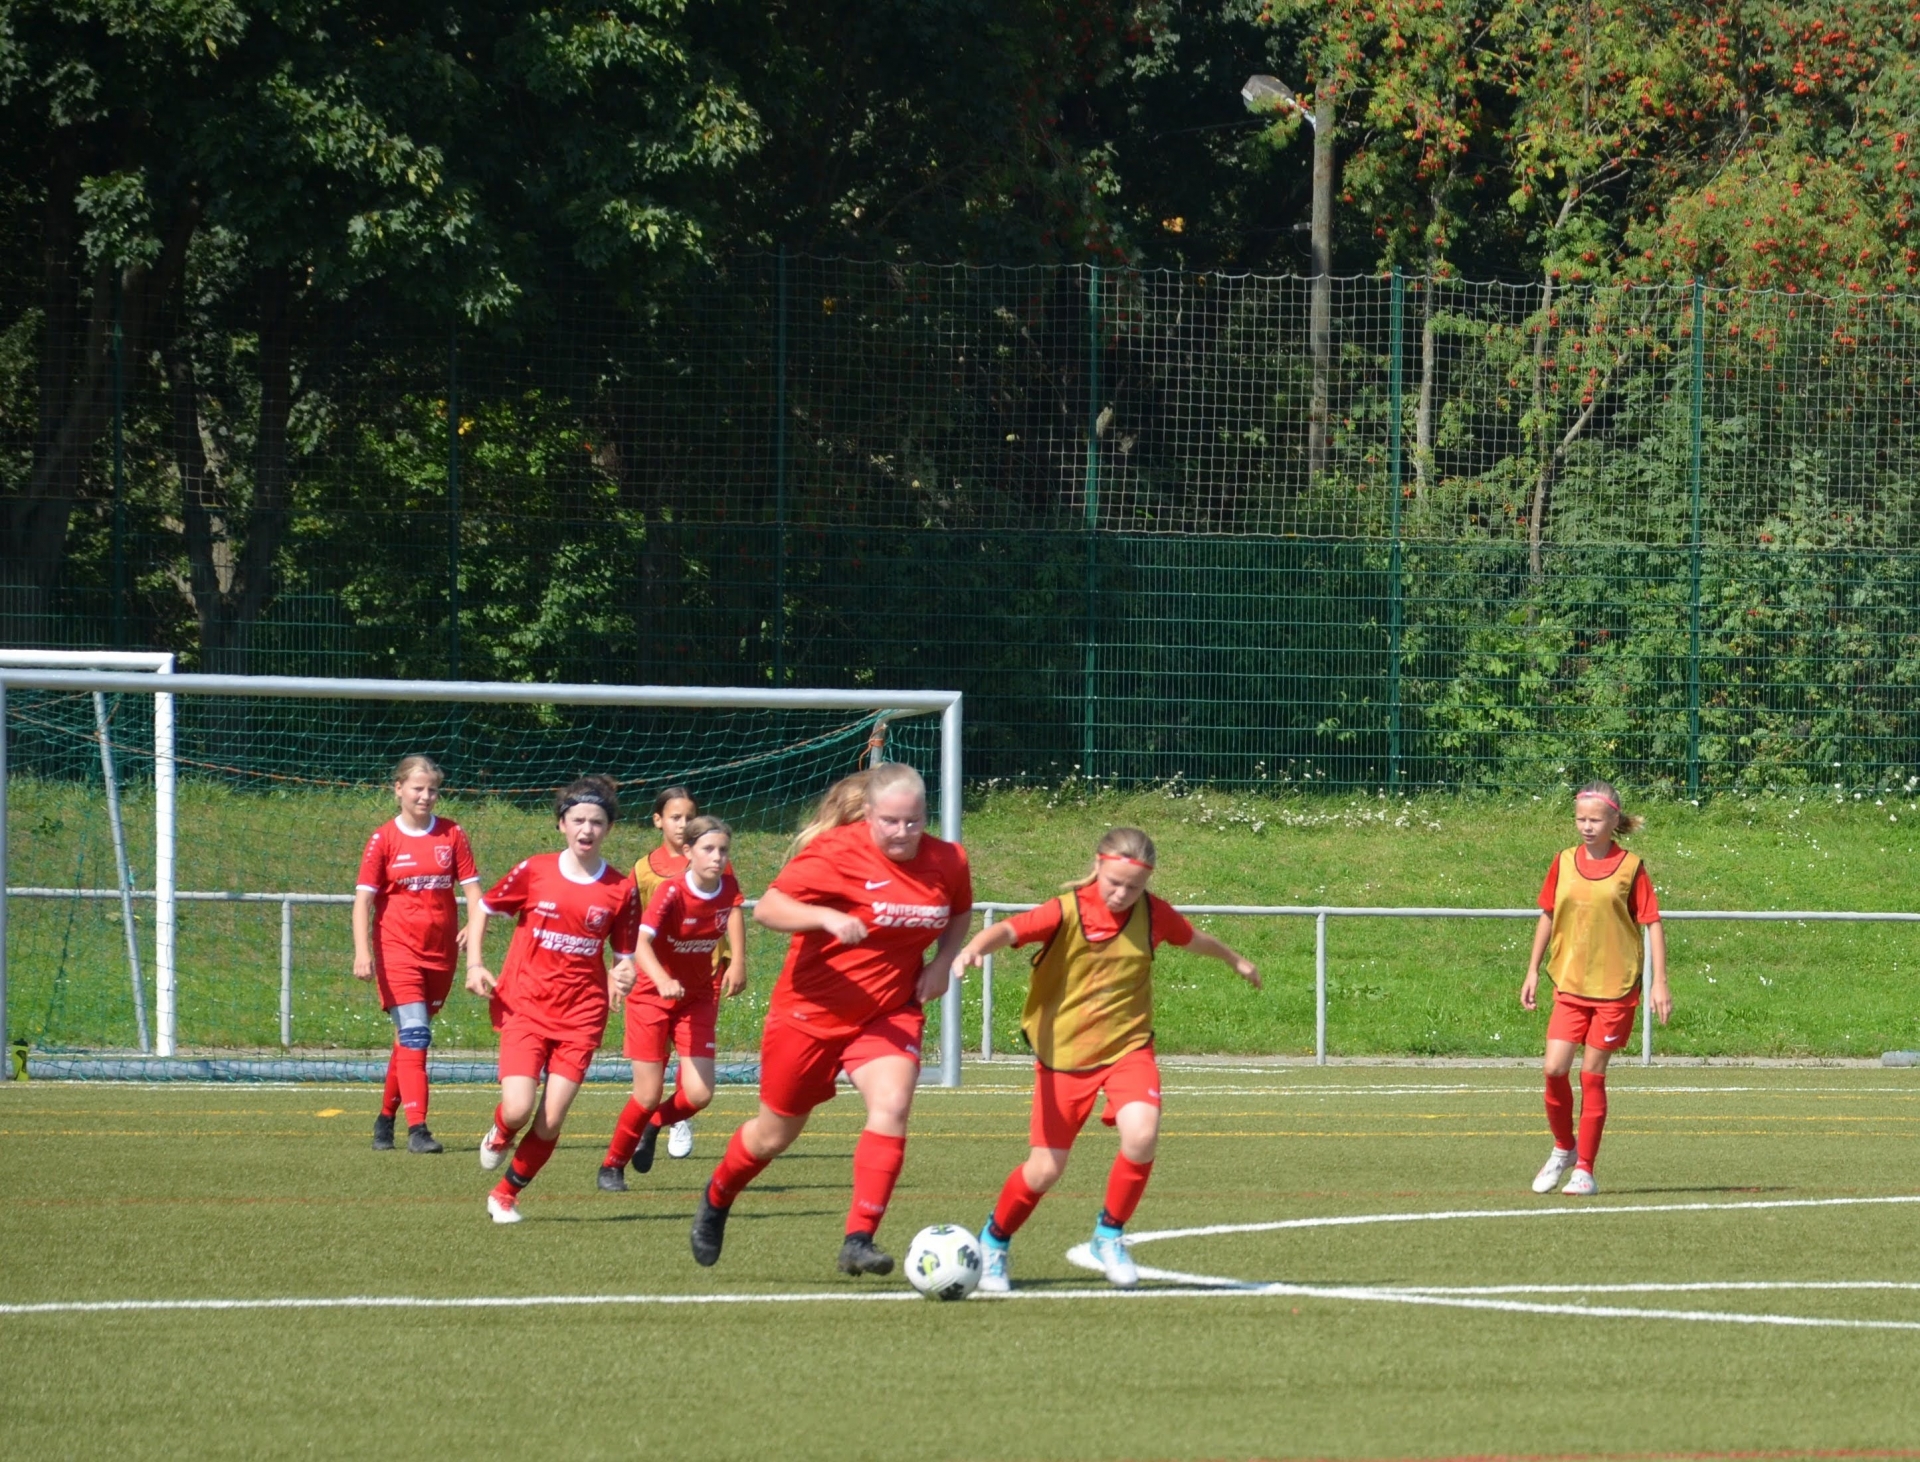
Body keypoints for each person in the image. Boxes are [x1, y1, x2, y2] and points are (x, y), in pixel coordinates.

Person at [689, 763, 969, 1275]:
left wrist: (942, 962)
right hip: (809, 1013)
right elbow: (768, 909)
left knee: (892, 1106)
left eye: (914, 821)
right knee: (773, 1136)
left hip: (888, 1011)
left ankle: (859, 1238)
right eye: (891, 822)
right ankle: (718, 1194)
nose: (903, 832)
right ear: (869, 814)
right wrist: (826, 917)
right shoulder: (836, 852)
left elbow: (959, 912)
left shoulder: (947, 859)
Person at [953, 827, 1260, 1292]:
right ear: (1097, 866)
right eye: (1114, 882)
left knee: (1142, 1134)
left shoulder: (1153, 914)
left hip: (1127, 1048)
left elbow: (1194, 938)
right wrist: (975, 947)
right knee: (1045, 1169)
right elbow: (1011, 929)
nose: (1121, 894)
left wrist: (1235, 960)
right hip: (1063, 1057)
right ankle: (994, 1242)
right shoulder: (1065, 910)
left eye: (1133, 887)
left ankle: (1109, 1235)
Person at [465, 776, 640, 1223]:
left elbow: (624, 955)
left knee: (551, 1119)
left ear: (609, 828)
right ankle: (501, 1131)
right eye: (578, 820)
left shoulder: (621, 888)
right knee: (519, 1108)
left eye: (596, 822)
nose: (587, 829)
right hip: (525, 1005)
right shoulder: (535, 870)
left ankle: (504, 1195)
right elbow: (484, 908)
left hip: (582, 1015)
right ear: (562, 823)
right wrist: (475, 964)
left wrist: (624, 974)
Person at [1521, 780, 1671, 1196]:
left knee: (1591, 1075)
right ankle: (1563, 1148)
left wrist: (1659, 982)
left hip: (1615, 989)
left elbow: (1652, 923)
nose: (1586, 827)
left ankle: (1585, 1170)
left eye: (1595, 820)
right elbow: (1548, 914)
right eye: (1580, 819)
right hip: (1570, 984)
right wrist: (1532, 970)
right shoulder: (1563, 861)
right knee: (1554, 1070)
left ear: (1613, 820)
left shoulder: (1631, 867)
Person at [599, 815, 747, 1190]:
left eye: (723, 850)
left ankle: (653, 1125)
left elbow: (733, 912)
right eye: (708, 849)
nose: (717, 857)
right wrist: (662, 979)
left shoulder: (728, 886)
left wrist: (739, 961)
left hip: (697, 997)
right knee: (648, 1093)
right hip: (652, 996)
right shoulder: (671, 891)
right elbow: (640, 943)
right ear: (688, 851)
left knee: (699, 1094)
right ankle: (612, 1165)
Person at [352, 754, 482, 1155]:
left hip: (440, 953)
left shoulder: (452, 834)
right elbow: (363, 901)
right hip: (396, 949)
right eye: (418, 789)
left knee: (408, 1038)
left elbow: (474, 892)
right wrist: (362, 952)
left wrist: (473, 924)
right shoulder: (383, 839)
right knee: (415, 1033)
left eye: (432, 790)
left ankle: (384, 1119)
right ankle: (418, 1129)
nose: (426, 796)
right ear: (398, 789)